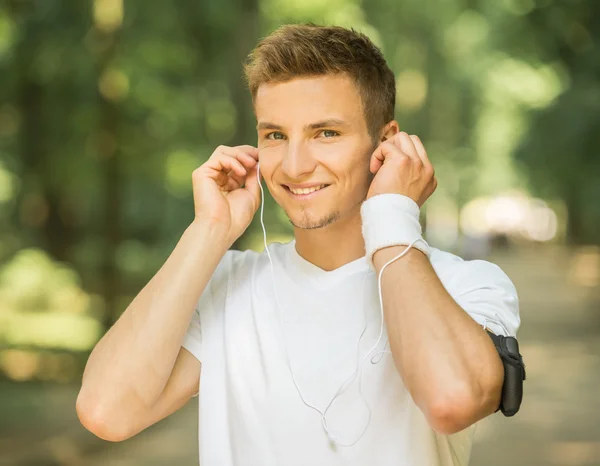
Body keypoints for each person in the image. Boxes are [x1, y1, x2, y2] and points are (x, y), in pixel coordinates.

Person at [76, 24, 521, 465]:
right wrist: (208, 230)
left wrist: (391, 214)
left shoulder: (465, 285)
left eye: (325, 133)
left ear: (386, 143)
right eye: (275, 135)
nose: (294, 165)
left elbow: (452, 401)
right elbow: (106, 412)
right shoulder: (226, 284)